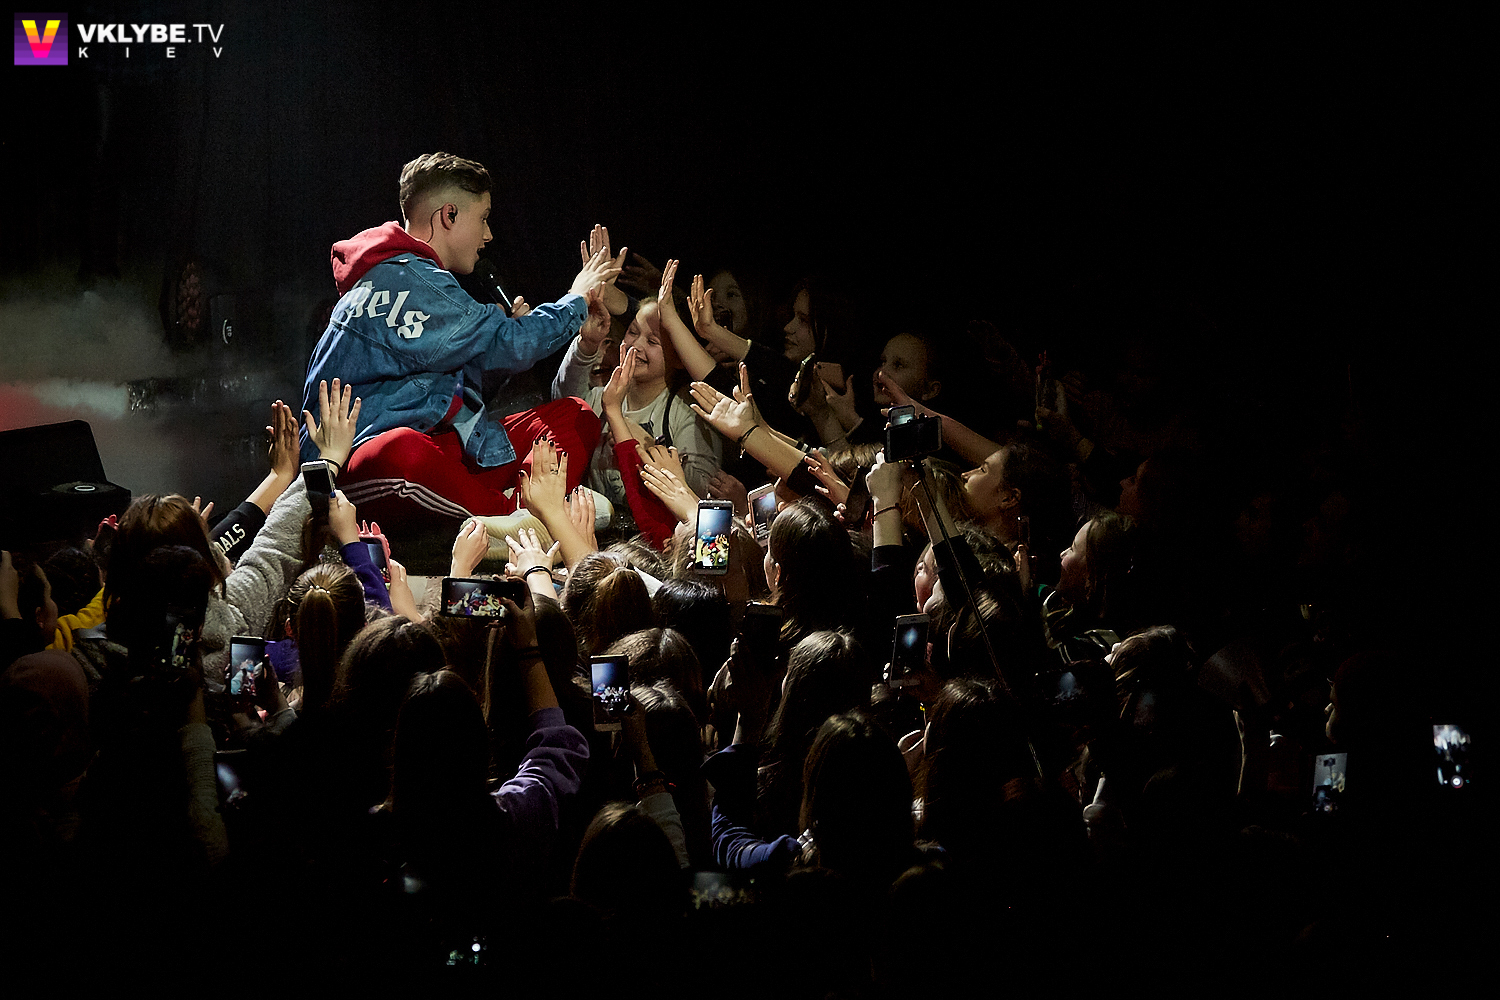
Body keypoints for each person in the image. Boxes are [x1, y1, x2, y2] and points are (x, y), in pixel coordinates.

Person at [299, 151, 622, 540]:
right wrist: (577, 298)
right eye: (483, 218)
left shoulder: (417, 278)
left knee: (574, 416)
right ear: (448, 216)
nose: (489, 235)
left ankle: (513, 509)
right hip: (359, 467)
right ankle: (513, 520)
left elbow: (449, 393)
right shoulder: (408, 279)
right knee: (403, 451)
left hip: (441, 451)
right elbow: (516, 343)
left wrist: (492, 348)